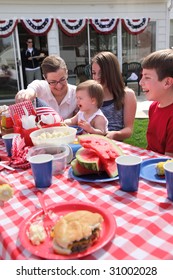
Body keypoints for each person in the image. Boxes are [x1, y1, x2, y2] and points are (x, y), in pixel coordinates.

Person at [91, 51, 137, 141]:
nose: (96, 77)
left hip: (114, 144)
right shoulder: (90, 94)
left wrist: (114, 134)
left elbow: (129, 129)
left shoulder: (127, 95)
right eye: (93, 73)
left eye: (101, 73)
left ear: (112, 73)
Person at [15, 55, 77, 120]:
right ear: (45, 78)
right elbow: (31, 90)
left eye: (62, 79)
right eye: (53, 82)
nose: (59, 86)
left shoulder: (76, 92)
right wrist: (25, 95)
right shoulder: (40, 86)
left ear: (66, 73)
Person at [139, 49, 173, 157]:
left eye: (147, 77)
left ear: (167, 82)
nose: (140, 82)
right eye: (142, 76)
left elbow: (168, 163)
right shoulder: (153, 107)